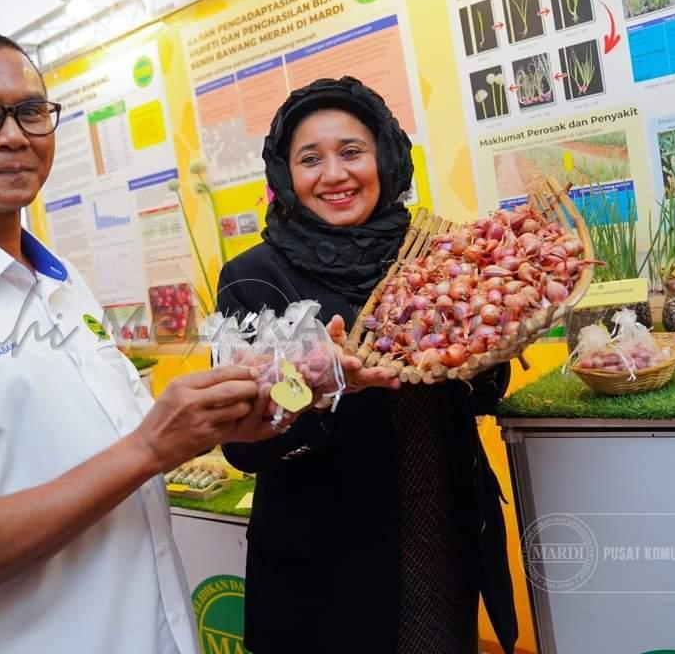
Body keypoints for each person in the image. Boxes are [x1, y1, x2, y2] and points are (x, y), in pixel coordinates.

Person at [0, 30, 294, 654]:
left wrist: (215, 421)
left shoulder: (58, 285)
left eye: (32, 111)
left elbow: (104, 453)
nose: (14, 135)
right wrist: (150, 446)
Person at [218, 77, 519, 654]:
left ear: (384, 156)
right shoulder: (254, 278)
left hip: (442, 535)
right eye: (311, 158)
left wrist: (490, 355)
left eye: (351, 151)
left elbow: (477, 390)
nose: (334, 174)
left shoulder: (436, 252)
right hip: (327, 564)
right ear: (286, 176)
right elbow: (243, 445)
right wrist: (323, 387)